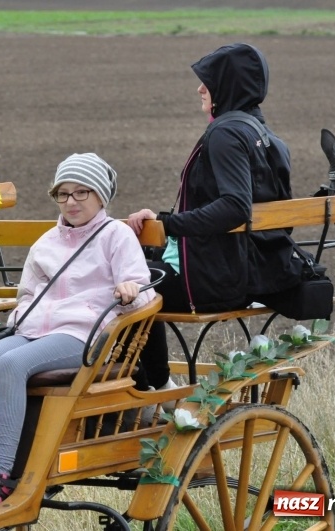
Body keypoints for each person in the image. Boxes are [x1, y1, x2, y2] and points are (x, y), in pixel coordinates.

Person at [0, 153, 155, 512]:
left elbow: (143, 290)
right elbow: (27, 294)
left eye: (81, 192)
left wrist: (130, 290)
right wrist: (22, 319)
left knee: (12, 364)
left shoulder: (116, 236)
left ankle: (0, 478)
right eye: (63, 194)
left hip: (82, 335)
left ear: (101, 196)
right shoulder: (46, 242)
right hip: (34, 330)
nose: (71, 202)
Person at [127, 43, 301, 390]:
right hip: (248, 274)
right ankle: (152, 384)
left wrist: (167, 225)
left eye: (208, 81)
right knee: (135, 272)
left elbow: (235, 207)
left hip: (213, 282)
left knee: (120, 283)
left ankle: (151, 387)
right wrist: (165, 222)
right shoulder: (268, 137)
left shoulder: (225, 133)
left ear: (227, 85)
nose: (200, 88)